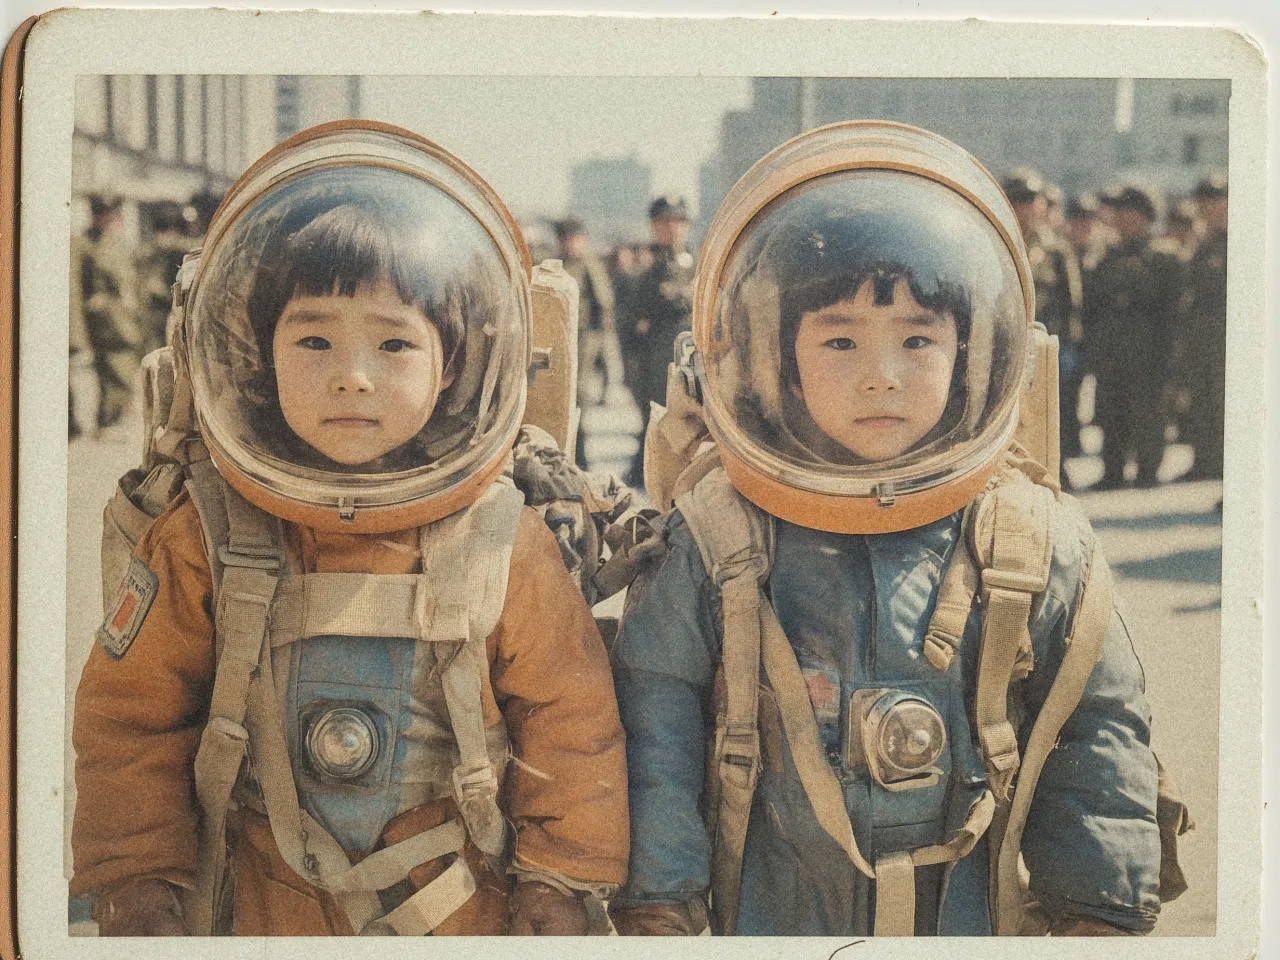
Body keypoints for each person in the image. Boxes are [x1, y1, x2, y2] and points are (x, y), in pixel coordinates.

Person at [608, 122, 1168, 938]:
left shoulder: (1029, 536)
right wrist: (659, 898)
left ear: (972, 353)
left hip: (966, 912)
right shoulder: (718, 535)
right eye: (839, 339)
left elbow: (1094, 726)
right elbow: (655, 719)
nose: (883, 372)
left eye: (918, 338)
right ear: (774, 358)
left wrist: (1098, 908)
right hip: (769, 904)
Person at [71, 123, 628, 937]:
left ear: (454, 366)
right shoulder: (209, 532)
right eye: (314, 337)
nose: (351, 373)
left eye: (395, 341)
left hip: (462, 910)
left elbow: (571, 720)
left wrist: (558, 879)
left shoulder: (500, 540)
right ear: (260, 353)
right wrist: (137, 876)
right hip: (259, 907)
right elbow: (131, 718)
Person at [1084, 184, 1182, 489]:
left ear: (1144, 217)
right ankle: (1112, 471)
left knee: (1148, 411)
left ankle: (1148, 470)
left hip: (1149, 349)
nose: (1119, 220)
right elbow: (1093, 304)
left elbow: (1172, 309)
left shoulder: (1164, 257)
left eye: (1126, 213)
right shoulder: (1106, 255)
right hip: (1113, 348)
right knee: (1111, 410)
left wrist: (1170, 354)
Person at [1003, 170, 1085, 463]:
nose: (1025, 206)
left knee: (1051, 409)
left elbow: (1072, 300)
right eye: (1018, 199)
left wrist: (1069, 346)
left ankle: (1055, 467)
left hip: (1045, 343)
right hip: (1008, 342)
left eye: (1031, 199)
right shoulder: (997, 242)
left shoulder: (1056, 248)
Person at [623, 195, 696, 487]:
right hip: (657, 362)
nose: (672, 229)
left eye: (678, 221)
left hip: (693, 356)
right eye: (665, 222)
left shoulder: (700, 263)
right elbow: (635, 324)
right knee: (658, 420)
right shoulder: (647, 271)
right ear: (654, 227)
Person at [554, 217, 624, 468]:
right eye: (565, 239)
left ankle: (579, 456)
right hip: (559, 340)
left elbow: (604, 304)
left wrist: (596, 344)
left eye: (573, 238)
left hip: (583, 340)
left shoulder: (588, 265)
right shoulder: (555, 264)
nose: (569, 244)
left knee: (577, 396)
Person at [1174, 173, 1227, 482]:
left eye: (1214, 201)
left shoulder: (1236, 241)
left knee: (1223, 405)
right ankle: (1204, 462)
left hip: (1223, 338)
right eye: (1203, 202)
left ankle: (1222, 468)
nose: (1207, 208)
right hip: (1201, 338)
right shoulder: (1204, 243)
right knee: (1202, 402)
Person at [76, 194, 143, 430]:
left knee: (123, 368)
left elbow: (129, 280)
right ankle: (107, 422)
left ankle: (114, 418)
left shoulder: (114, 242)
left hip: (122, 318)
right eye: (104, 213)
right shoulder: (90, 243)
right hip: (108, 320)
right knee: (111, 369)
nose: (110, 218)